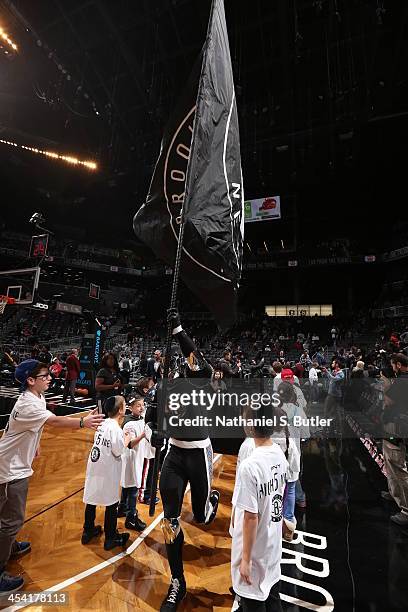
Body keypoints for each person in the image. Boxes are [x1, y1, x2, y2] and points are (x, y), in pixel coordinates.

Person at [0, 359, 104, 595]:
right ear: (30, 381)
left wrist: (34, 444)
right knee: (12, 520)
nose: (50, 378)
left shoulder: (37, 397)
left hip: (15, 464)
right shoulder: (28, 403)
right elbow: (54, 422)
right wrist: (82, 422)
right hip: (7, 469)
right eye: (45, 376)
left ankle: (9, 546)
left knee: (8, 517)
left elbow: (32, 426)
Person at [158, 308, 219, 611]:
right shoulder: (168, 383)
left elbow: (194, 357)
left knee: (200, 516)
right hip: (174, 454)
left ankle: (210, 504)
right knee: (170, 521)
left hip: (198, 454)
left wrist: (179, 330)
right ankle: (177, 582)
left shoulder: (201, 378)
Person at [230, 403, 288, 611]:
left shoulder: (250, 465)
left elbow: (250, 517)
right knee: (273, 597)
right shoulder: (279, 453)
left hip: (255, 550)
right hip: (272, 545)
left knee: (253, 602)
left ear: (252, 425)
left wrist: (245, 559)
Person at [82, 396, 135, 549]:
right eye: (124, 405)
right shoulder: (116, 429)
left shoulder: (102, 423)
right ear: (120, 410)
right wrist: (126, 439)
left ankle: (88, 530)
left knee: (91, 498)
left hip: (94, 465)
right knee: (111, 503)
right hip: (107, 469)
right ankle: (111, 538)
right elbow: (118, 451)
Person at [381, 353, 408, 526]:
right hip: (397, 427)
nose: (391, 368)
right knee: (390, 463)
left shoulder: (401, 382)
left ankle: (406, 510)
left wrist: (385, 384)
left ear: (398, 364)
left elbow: (387, 402)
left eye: (392, 365)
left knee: (397, 466)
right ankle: (394, 493)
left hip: (396, 428)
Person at [117, 395, 147, 531]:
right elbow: (129, 444)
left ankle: (122, 508)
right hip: (130, 458)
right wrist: (142, 436)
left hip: (137, 457)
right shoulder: (129, 423)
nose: (142, 408)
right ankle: (131, 518)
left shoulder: (140, 419)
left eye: (142, 405)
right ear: (130, 408)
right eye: (138, 406)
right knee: (133, 487)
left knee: (127, 485)